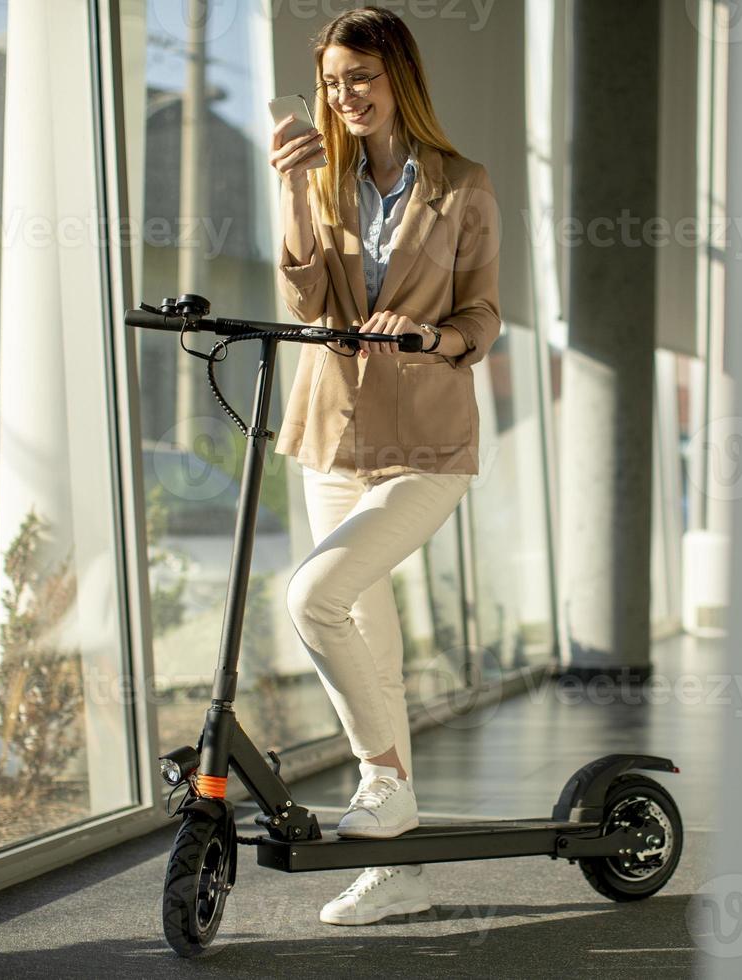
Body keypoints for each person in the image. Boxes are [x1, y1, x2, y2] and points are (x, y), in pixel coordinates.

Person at [268, 6, 501, 927]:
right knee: (373, 645)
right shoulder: (321, 182)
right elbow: (306, 300)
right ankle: (400, 871)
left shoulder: (464, 185)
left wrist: (427, 334)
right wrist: (291, 195)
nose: (344, 96)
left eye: (358, 78)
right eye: (331, 83)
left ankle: (383, 782)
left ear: (398, 76)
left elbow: (483, 316)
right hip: (334, 440)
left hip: (429, 447)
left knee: (311, 598)